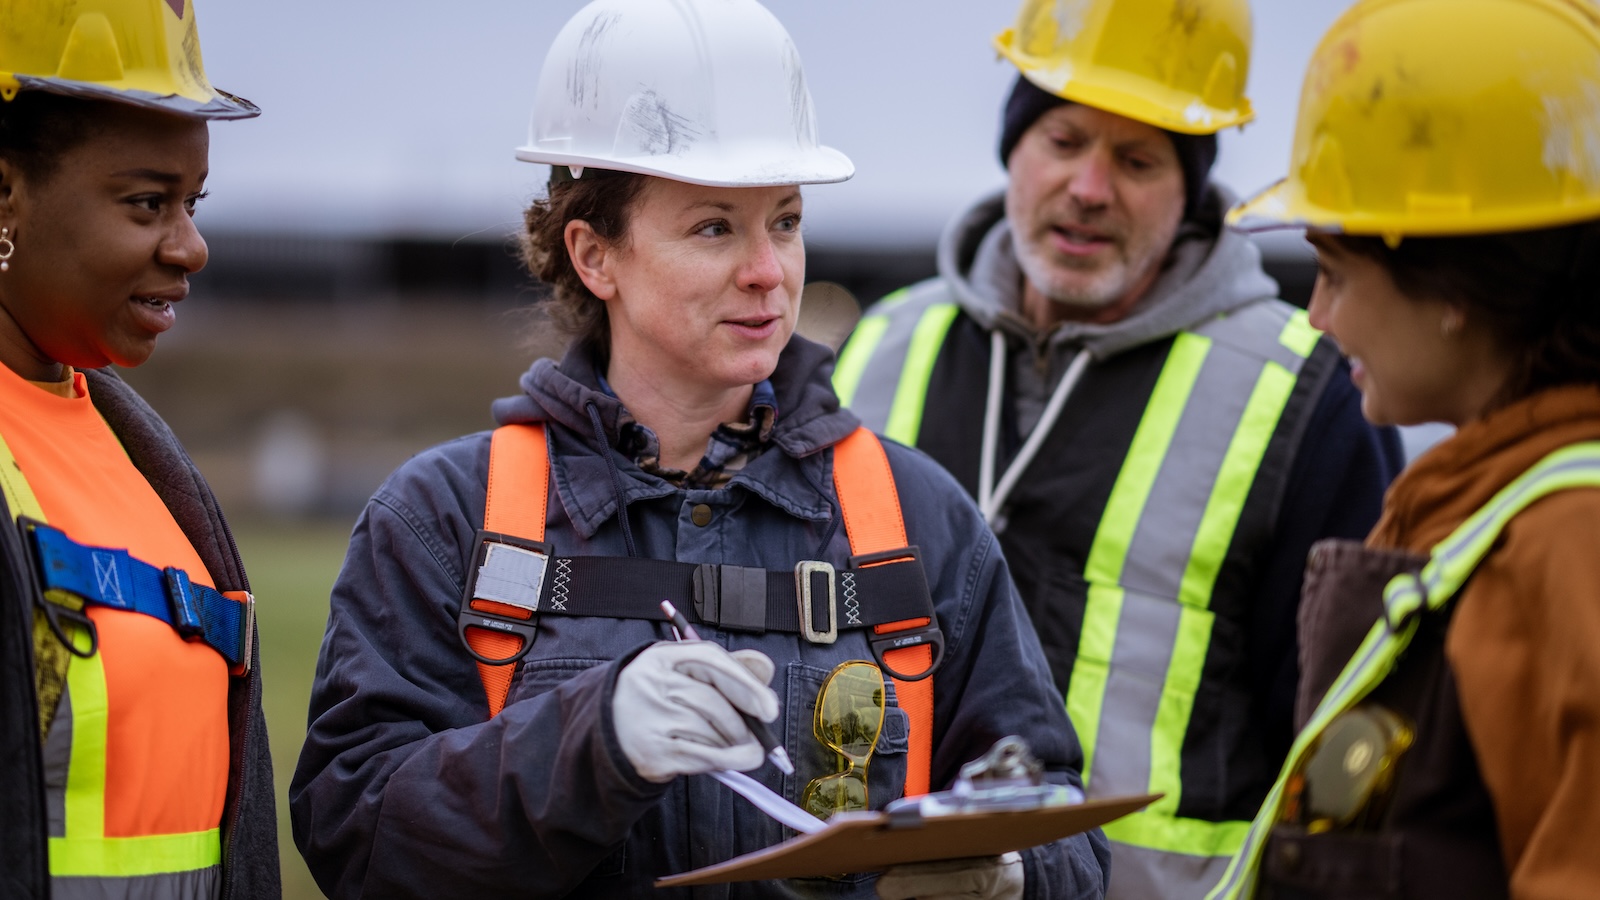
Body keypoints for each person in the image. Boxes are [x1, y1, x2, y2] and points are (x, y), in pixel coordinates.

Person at [288, 1, 1109, 897]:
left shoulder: (915, 519)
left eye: (786, 221)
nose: (769, 270)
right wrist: (591, 741)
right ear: (595, 255)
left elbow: (1060, 818)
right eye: (715, 227)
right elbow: (356, 836)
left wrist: (1014, 874)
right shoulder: (448, 519)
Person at [832, 1, 1405, 896]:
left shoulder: (1308, 397)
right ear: (1012, 147)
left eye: (1138, 160)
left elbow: (1350, 753)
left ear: (1191, 189)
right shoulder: (879, 350)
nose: (1092, 188)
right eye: (1063, 140)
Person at [1205, 0, 1600, 897]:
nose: (1317, 315)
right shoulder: (1487, 501)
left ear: (1453, 282)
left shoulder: (1570, 535)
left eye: (1336, 273)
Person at [0, 1, 276, 898]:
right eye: (146, 202)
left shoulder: (139, 454)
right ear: (5, 194)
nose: (190, 246)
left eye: (192, 203)